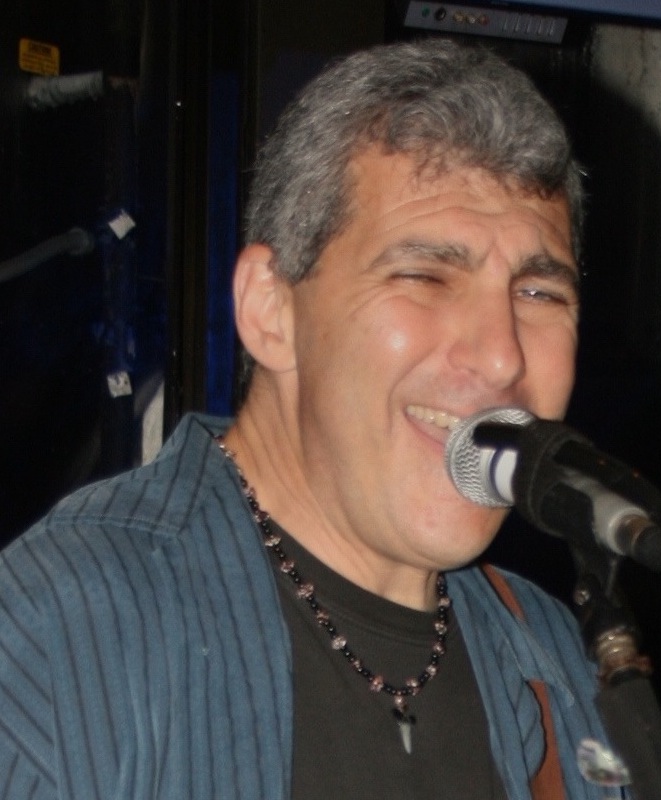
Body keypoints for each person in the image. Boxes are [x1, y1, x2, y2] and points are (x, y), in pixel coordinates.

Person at [0, 39, 628, 799]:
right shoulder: (58, 631)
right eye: (424, 275)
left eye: (538, 293)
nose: (501, 357)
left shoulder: (559, 659)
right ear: (270, 309)